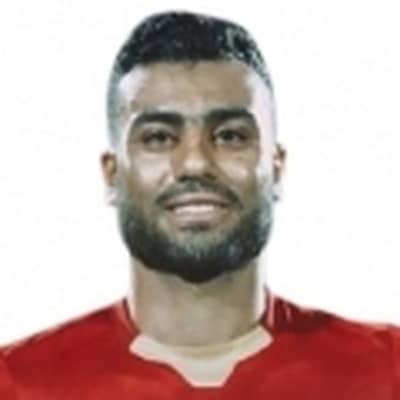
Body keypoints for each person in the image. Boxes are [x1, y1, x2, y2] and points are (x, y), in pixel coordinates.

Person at [1, 10, 400, 399]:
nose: (195, 163)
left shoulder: (387, 371)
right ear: (112, 175)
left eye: (229, 136)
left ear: (277, 168)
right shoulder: (18, 383)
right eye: (158, 138)